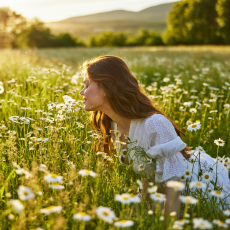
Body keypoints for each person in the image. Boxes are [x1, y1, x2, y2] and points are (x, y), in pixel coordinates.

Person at [79, 55, 230, 217]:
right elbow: (148, 171)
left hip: (196, 182)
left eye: (87, 85)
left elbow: (175, 184)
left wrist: (168, 224)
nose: (81, 92)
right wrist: (142, 208)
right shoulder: (114, 125)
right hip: (165, 186)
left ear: (107, 87)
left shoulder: (154, 124)